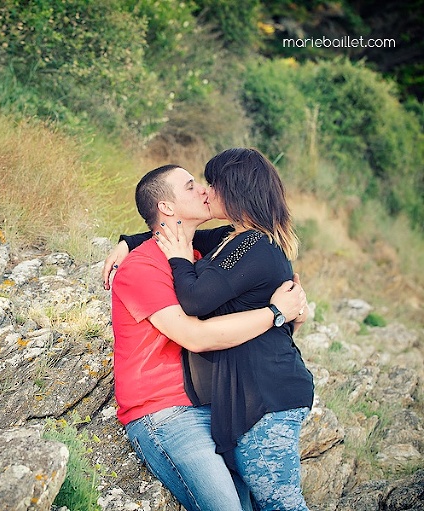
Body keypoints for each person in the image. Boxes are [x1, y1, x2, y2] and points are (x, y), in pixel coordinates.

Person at [114, 148, 314, 510]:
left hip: (227, 403)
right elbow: (195, 335)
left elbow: (210, 290)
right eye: (192, 186)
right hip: (167, 410)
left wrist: (286, 312)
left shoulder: (210, 252)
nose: (205, 191)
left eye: (208, 183)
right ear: (168, 208)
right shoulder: (148, 267)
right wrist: (275, 312)